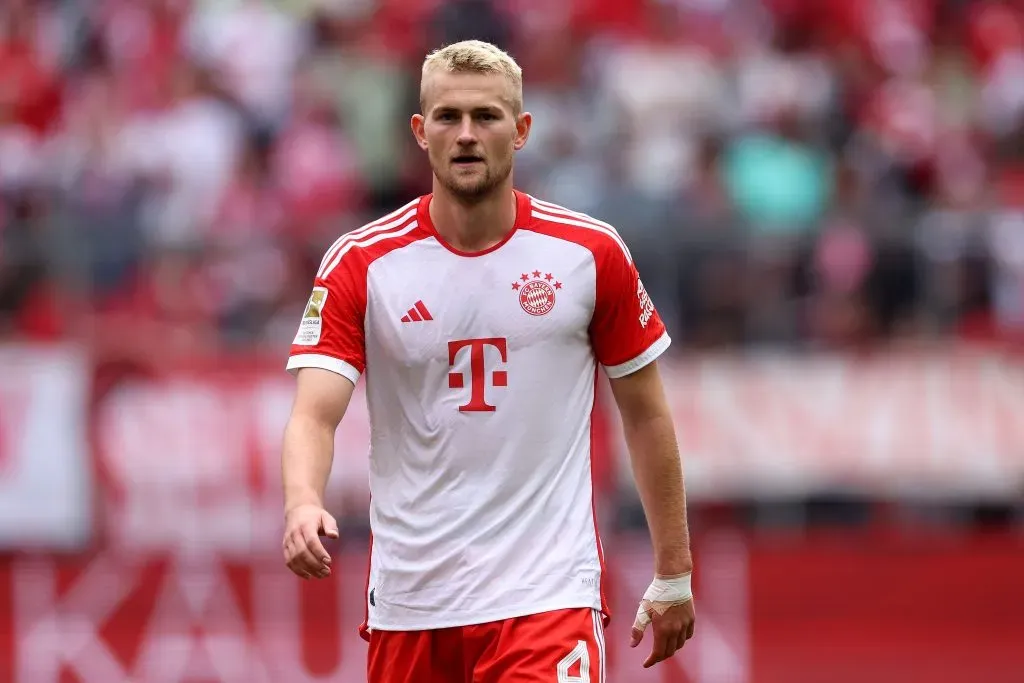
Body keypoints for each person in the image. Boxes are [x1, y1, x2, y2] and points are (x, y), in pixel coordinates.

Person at [280, 39, 695, 682]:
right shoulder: (363, 262)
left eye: (487, 117)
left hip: (546, 596)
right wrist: (303, 500)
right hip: (413, 603)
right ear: (421, 132)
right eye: (448, 117)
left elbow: (645, 415)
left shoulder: (588, 254)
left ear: (521, 130)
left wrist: (674, 570)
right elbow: (314, 414)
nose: (466, 135)